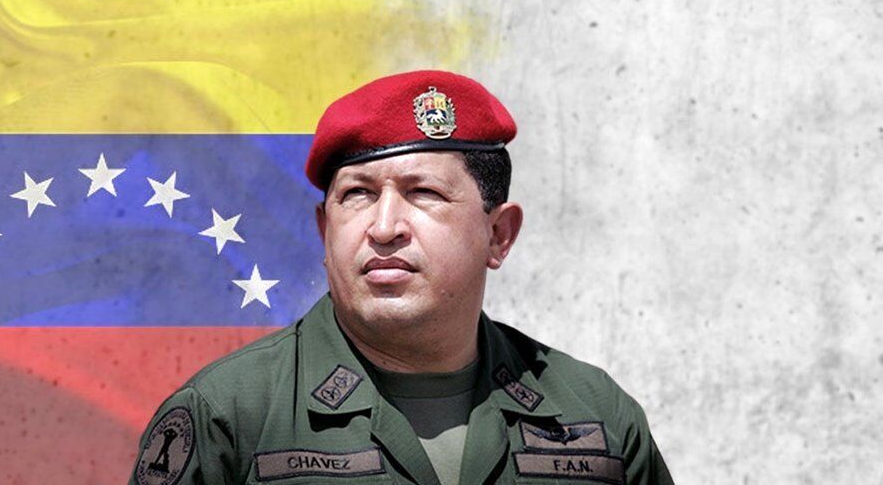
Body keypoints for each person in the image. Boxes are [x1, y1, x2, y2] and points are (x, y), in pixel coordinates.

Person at [130, 70, 675, 485]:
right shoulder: (230, 416)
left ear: (498, 234)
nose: (384, 226)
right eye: (357, 195)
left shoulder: (594, 415)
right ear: (324, 229)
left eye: (423, 193)